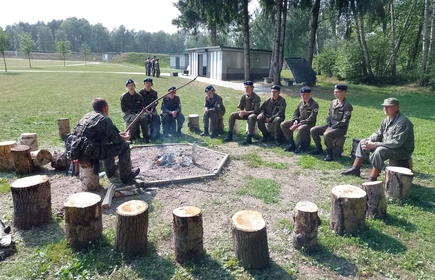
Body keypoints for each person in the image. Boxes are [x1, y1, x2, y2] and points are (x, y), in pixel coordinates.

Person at [341, 97, 414, 181]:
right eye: (384, 106)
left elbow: (396, 143)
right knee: (363, 142)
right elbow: (378, 133)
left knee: (380, 151)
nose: (385, 108)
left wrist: (375, 144)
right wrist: (369, 141)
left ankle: (372, 178)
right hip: (389, 147)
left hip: (402, 151)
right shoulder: (386, 120)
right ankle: (355, 169)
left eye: (389, 106)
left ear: (397, 108)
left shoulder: (403, 123)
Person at [71, 98, 140, 184]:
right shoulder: (104, 119)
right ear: (105, 107)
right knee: (124, 145)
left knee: (107, 144)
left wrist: (120, 135)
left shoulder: (87, 116)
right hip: (90, 153)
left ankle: (111, 171)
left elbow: (108, 135)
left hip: (80, 150)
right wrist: (125, 138)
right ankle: (126, 177)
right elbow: (116, 139)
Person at [310, 84, 353, 161]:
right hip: (330, 126)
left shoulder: (347, 105)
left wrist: (332, 127)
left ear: (344, 92)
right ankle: (318, 148)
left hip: (340, 128)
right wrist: (329, 125)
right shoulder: (333, 102)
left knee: (327, 134)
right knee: (313, 130)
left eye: (337, 92)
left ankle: (329, 154)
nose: (335, 93)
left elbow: (345, 121)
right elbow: (329, 115)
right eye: (334, 92)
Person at [281, 86, 319, 153]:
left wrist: (299, 124)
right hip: (299, 121)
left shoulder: (314, 104)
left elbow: (312, 118)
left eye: (304, 94)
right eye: (301, 94)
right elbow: (296, 112)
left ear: (309, 94)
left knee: (301, 128)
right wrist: (296, 120)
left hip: (309, 123)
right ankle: (291, 143)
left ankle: (299, 145)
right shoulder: (301, 102)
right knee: (284, 124)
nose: (302, 96)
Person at [224, 81, 261, 145]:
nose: (246, 89)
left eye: (248, 88)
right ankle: (229, 135)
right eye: (245, 87)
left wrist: (246, 112)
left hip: (253, 115)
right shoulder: (243, 96)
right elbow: (239, 107)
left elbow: (256, 110)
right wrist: (240, 112)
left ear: (252, 88)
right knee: (232, 115)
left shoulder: (256, 97)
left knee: (251, 117)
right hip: (245, 114)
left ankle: (249, 138)